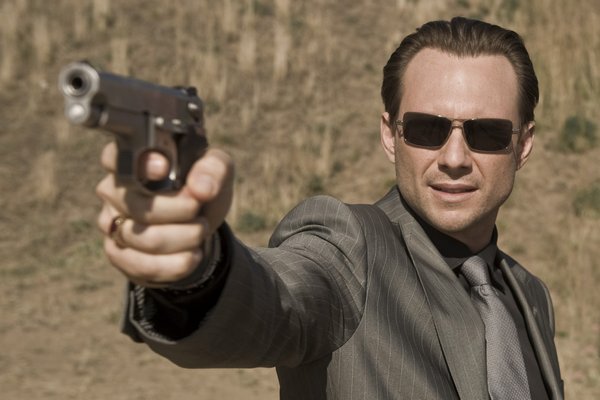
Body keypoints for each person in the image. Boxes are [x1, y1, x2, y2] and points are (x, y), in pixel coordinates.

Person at [95, 17, 564, 399]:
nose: (454, 158)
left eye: (487, 134)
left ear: (523, 144)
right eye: (427, 129)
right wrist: (195, 272)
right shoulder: (348, 246)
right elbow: (275, 296)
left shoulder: (530, 295)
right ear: (390, 135)